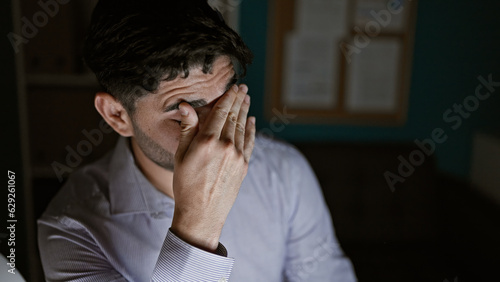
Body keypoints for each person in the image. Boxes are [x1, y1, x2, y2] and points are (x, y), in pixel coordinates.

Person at [37, 0, 357, 281]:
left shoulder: (285, 172)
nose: (217, 131)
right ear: (117, 115)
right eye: (184, 112)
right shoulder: (72, 230)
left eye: (226, 98)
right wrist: (199, 223)